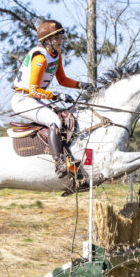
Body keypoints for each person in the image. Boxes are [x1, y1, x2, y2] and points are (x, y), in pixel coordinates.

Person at [12, 19, 93, 178]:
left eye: (60, 38)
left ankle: (69, 158)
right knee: (54, 121)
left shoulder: (56, 55)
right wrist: (57, 95)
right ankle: (59, 163)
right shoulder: (40, 58)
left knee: (66, 117)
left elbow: (62, 80)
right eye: (56, 38)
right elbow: (34, 90)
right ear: (47, 40)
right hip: (23, 99)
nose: (60, 41)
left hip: (35, 99)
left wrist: (81, 85)